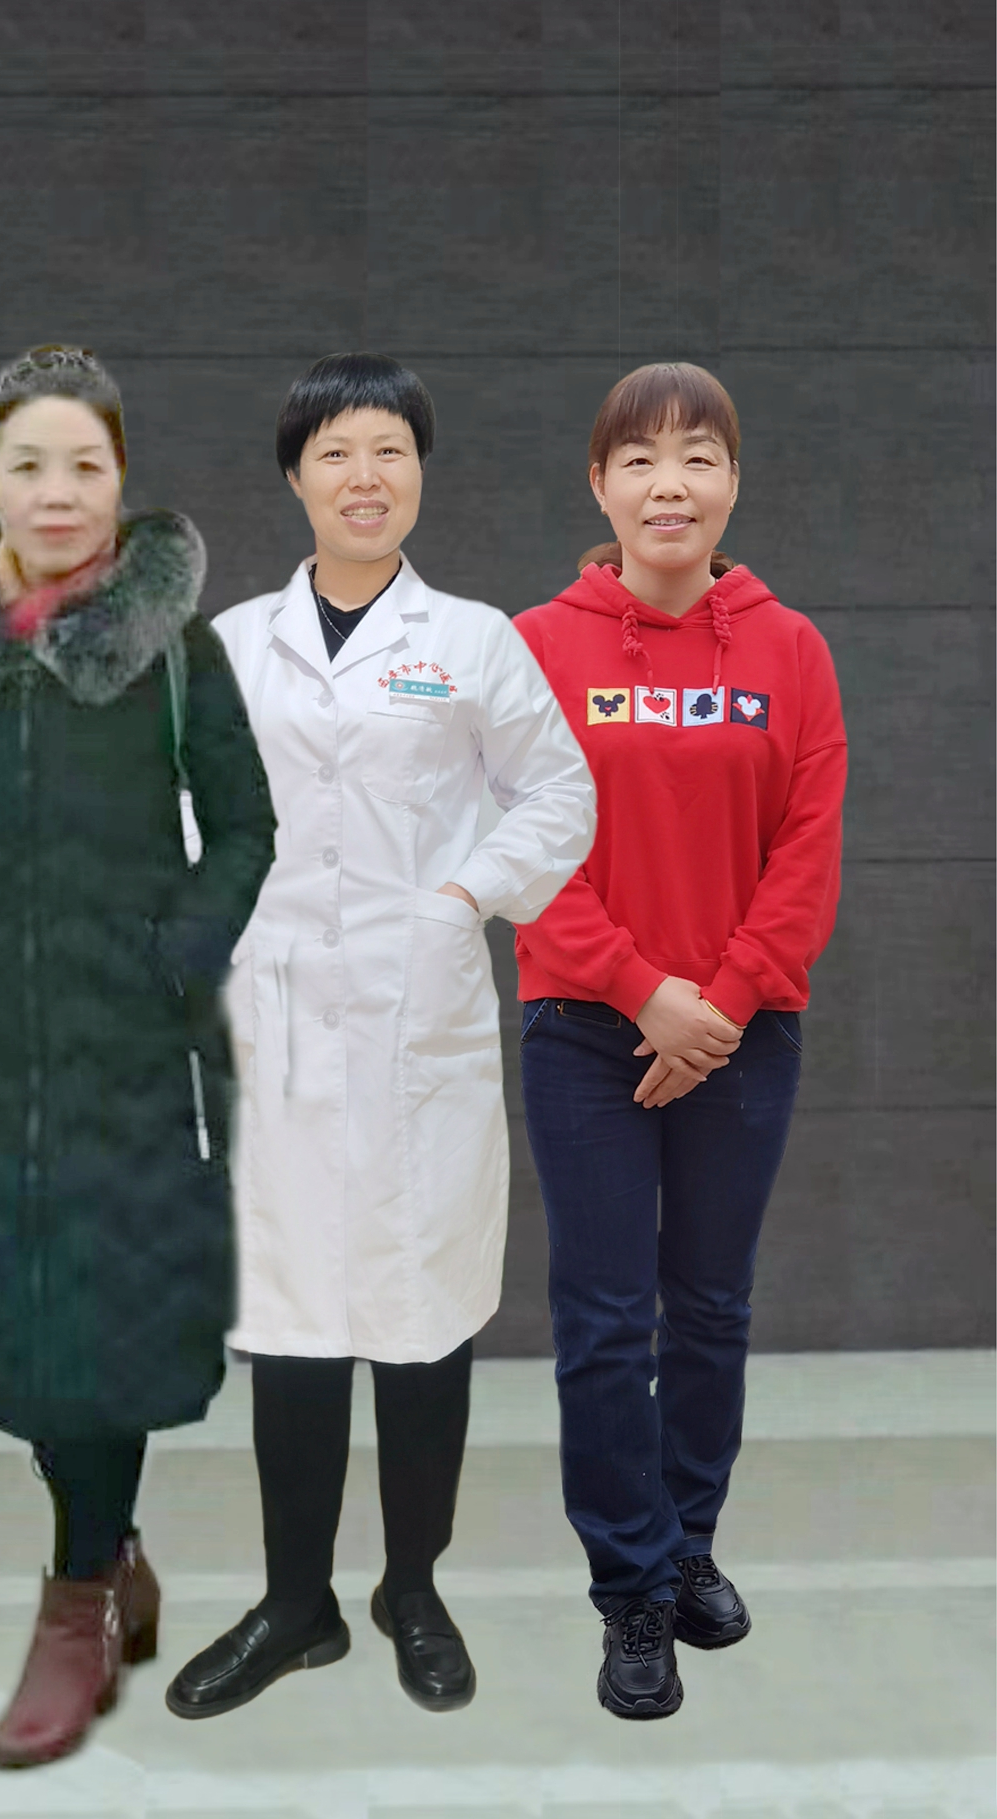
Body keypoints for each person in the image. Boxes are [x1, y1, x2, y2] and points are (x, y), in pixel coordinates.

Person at [173, 355, 597, 1724]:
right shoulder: (235, 643)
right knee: (292, 1318)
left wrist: (464, 895)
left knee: (421, 1321)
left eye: (391, 450)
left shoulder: (472, 640)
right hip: (276, 1019)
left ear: (420, 472)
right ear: (294, 475)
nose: (366, 476)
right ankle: (295, 1603)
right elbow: (180, 814)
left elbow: (560, 794)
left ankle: (413, 1588)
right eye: (338, 452)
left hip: (421, 1022)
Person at [0, 344, 274, 1771]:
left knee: (111, 1316)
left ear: (122, 481)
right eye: (30, 464)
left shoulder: (177, 649)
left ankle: (75, 1602)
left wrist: (179, 949)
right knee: (21, 1317)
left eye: (87, 465)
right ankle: (112, 1550)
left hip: (133, 1040)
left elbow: (246, 824)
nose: (59, 491)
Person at [513, 362, 841, 1722]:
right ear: (599, 485)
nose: (670, 484)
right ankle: (631, 1589)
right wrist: (645, 991)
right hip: (586, 1031)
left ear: (733, 483)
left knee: (709, 1307)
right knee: (603, 1320)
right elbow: (525, 844)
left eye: (698, 456)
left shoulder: (790, 649)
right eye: (640, 459)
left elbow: (807, 854)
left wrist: (723, 1002)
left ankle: (688, 1539)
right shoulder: (538, 646)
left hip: (745, 1034)